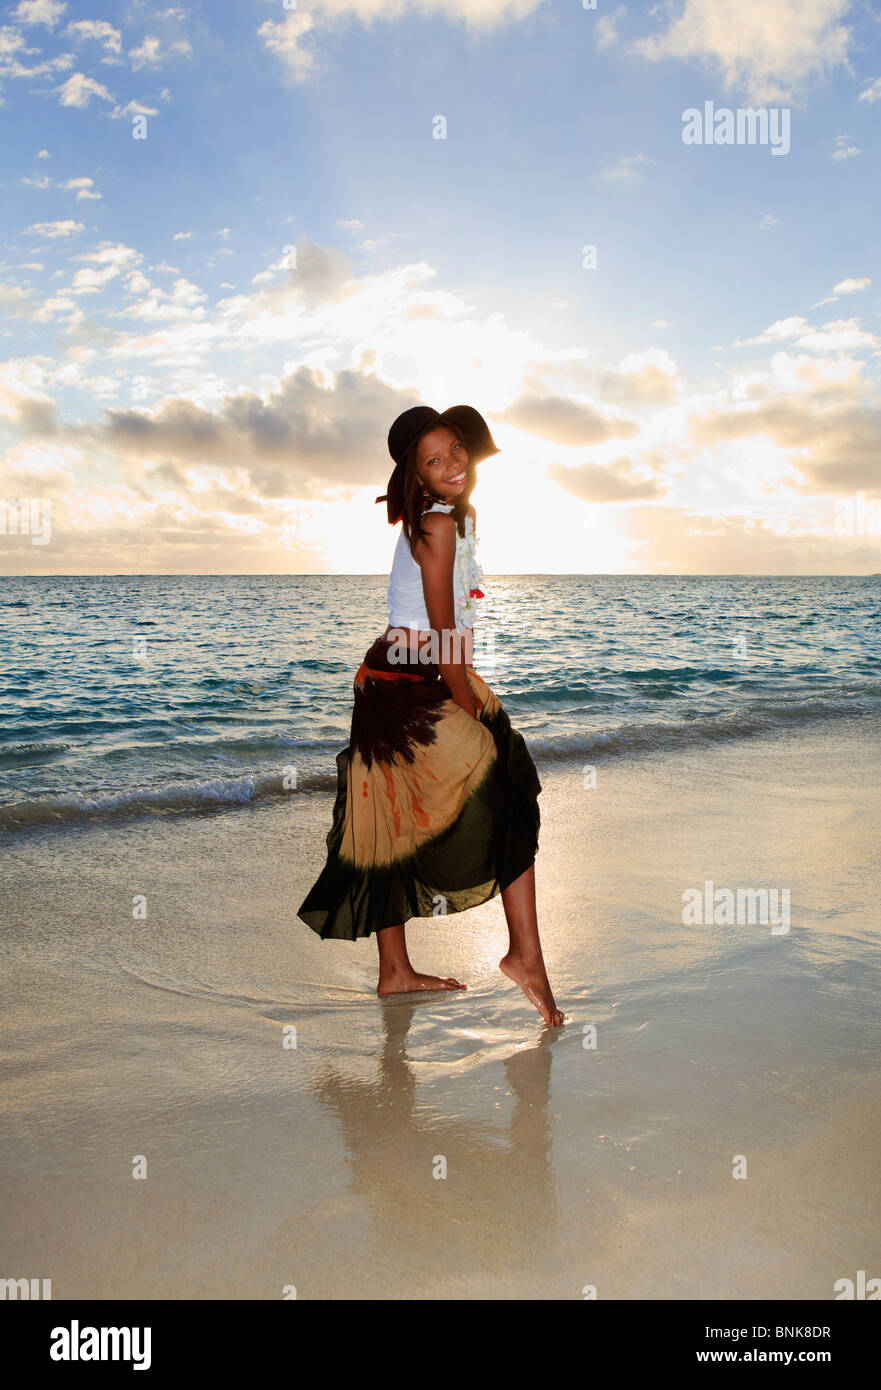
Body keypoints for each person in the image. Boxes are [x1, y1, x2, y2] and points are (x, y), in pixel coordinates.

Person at [297, 404, 564, 1028]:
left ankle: (398, 972)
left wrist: (466, 686)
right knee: (507, 783)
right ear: (416, 477)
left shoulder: (442, 520)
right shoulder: (438, 526)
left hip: (399, 674)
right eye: (434, 460)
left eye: (456, 450)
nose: (453, 465)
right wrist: (467, 703)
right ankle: (525, 954)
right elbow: (445, 631)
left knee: (390, 819)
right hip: (414, 681)